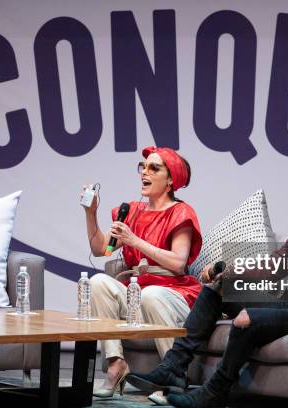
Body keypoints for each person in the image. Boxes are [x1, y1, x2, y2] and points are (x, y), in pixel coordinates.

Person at [126, 153, 288, 407]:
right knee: (218, 288)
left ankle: (215, 392)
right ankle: (174, 367)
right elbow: (274, 263)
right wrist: (230, 269)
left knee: (247, 318)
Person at [82, 146, 203, 398]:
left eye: (154, 168)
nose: (144, 173)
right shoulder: (132, 211)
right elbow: (101, 249)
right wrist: (91, 213)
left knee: (151, 295)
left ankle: (173, 375)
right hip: (139, 292)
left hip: (174, 293)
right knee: (98, 283)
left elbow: (179, 263)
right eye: (143, 167)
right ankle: (116, 364)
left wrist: (135, 241)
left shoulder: (181, 212)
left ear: (170, 180)